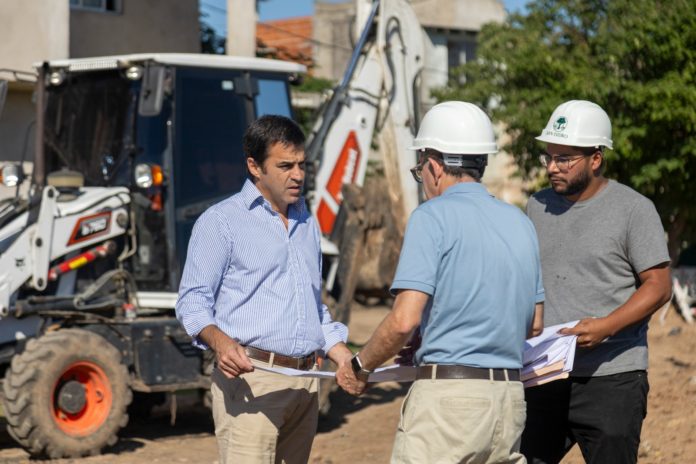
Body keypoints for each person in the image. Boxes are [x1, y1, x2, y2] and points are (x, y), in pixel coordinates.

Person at [336, 101, 545, 463]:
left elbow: (403, 320)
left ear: (433, 165)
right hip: (509, 400)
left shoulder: (431, 216)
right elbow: (535, 323)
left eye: (420, 170)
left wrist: (360, 367)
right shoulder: (520, 223)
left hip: (448, 401)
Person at [175, 114, 353, 464]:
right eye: (285, 166)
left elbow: (313, 306)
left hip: (306, 383)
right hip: (252, 382)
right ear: (254, 167)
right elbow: (192, 302)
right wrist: (221, 343)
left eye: (302, 164)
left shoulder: (306, 222)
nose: (298, 175)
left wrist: (343, 355)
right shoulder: (221, 221)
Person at [521, 100, 672, 464]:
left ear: (596, 159)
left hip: (612, 377)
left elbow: (659, 285)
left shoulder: (633, 209)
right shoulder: (536, 207)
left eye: (564, 159)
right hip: (543, 374)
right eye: (548, 157)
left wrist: (607, 327)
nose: (552, 167)